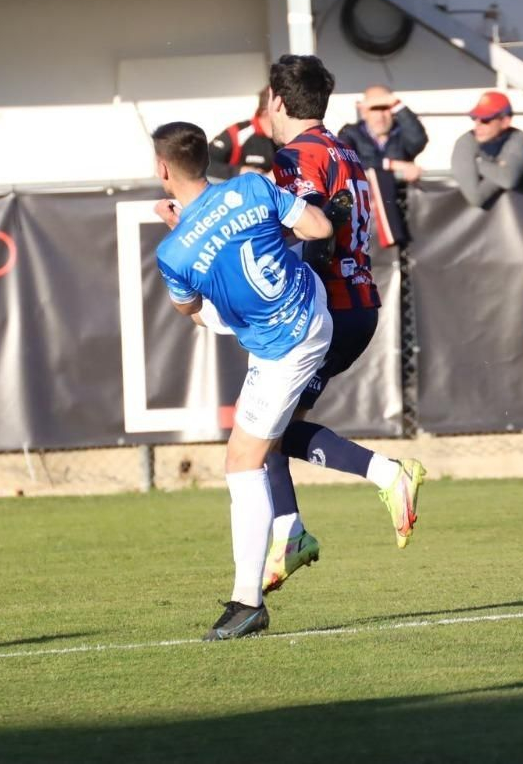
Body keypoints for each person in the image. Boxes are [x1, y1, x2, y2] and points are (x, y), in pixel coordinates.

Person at [151, 121, 335, 639]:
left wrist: (185, 234)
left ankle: (247, 603)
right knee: (265, 446)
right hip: (310, 302)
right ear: (204, 160)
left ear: (163, 170)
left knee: (242, 462)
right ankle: (291, 531)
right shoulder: (251, 186)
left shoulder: (173, 253)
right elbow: (319, 228)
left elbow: (187, 308)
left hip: (284, 346)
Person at [262, 54, 426, 595]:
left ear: (277, 101)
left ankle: (385, 477)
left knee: (260, 429)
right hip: (358, 303)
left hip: (324, 309)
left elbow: (318, 228)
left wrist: (291, 292)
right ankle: (290, 532)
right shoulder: (345, 150)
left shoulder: (295, 157)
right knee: (270, 432)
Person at [337, 84, 428, 248]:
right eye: (374, 109)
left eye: (385, 108)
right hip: (362, 220)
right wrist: (392, 165)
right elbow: (345, 159)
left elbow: (418, 140)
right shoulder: (350, 133)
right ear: (364, 111)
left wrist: (398, 105)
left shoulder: (401, 134)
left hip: (403, 215)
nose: (380, 116)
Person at [451, 90, 523, 210]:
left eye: (485, 120)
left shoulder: (517, 137)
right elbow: (476, 198)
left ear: (505, 122)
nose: (477, 125)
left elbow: (508, 179)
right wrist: (498, 168)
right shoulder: (465, 142)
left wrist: (477, 163)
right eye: (475, 118)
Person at [205, 90, 278, 182]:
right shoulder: (237, 133)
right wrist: (239, 171)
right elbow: (202, 163)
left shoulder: (288, 137)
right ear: (266, 110)